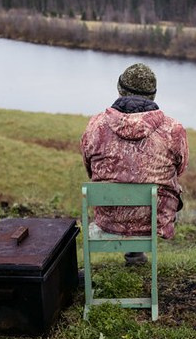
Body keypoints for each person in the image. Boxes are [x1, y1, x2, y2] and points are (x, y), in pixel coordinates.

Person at [81, 63, 189, 265]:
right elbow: (180, 169)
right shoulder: (174, 129)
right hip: (154, 220)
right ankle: (135, 255)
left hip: (109, 218)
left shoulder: (95, 125)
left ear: (120, 89)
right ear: (153, 95)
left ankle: (134, 254)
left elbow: (90, 169)